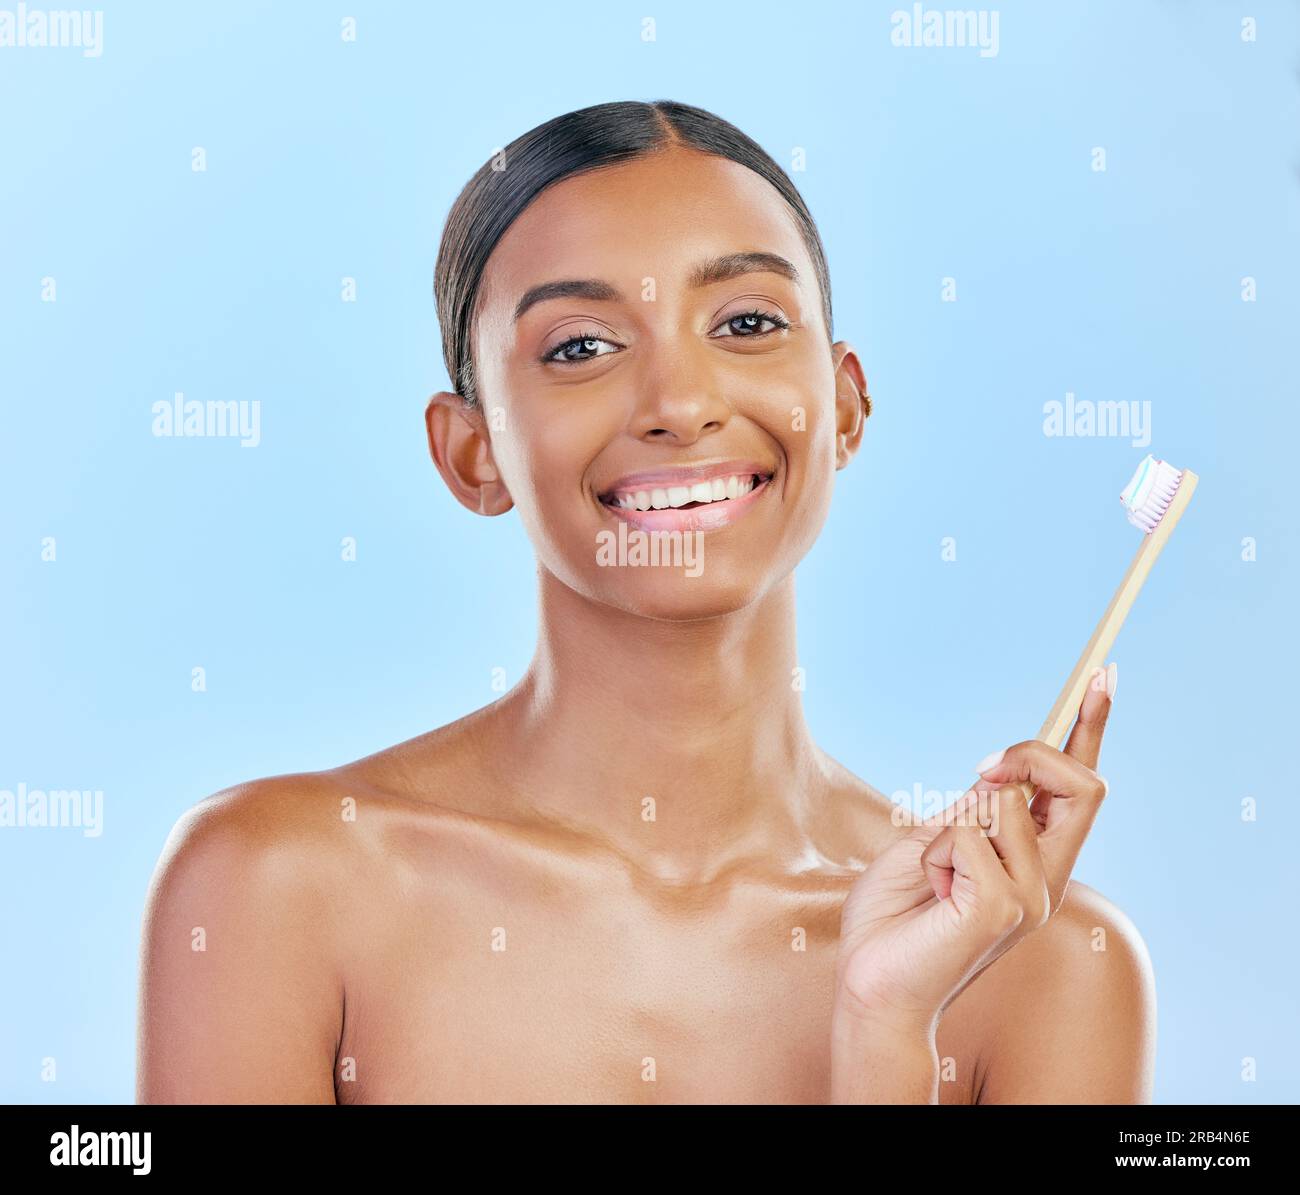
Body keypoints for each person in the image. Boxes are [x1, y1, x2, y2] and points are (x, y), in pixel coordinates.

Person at [136, 100, 1154, 1104]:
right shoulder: (273, 886)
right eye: (580, 345)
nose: (678, 402)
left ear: (843, 405)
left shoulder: (1041, 963)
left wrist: (887, 1028)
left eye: (747, 322)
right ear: (471, 451)